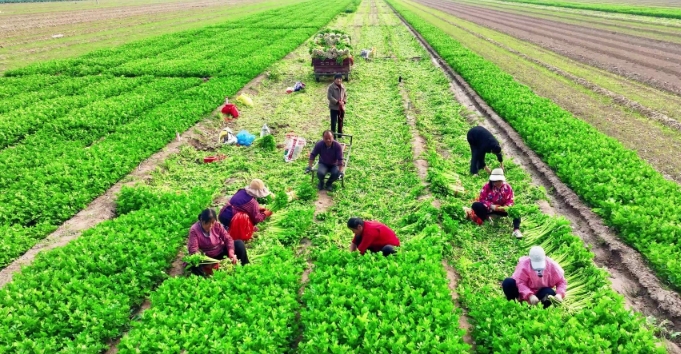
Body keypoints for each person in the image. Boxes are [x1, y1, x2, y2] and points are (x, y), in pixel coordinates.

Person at [187, 208, 249, 276]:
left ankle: (245, 267)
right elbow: (193, 250)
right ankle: (204, 279)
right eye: (207, 223)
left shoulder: (217, 225)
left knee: (239, 244)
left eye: (212, 223)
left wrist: (231, 253)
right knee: (194, 262)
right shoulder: (194, 230)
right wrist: (210, 263)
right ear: (202, 221)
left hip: (220, 251)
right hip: (206, 256)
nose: (210, 226)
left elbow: (228, 239)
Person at [465, 168, 523, 239]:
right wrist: (492, 206)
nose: (497, 183)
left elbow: (510, 200)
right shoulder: (487, 187)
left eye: (499, 181)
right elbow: (482, 199)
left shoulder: (507, 188)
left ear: (502, 180)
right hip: (489, 209)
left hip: (502, 210)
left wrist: (506, 207)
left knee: (516, 211)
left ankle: (516, 230)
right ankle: (486, 217)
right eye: (495, 181)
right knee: (476, 205)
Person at [502, 246, 567, 308]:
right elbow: (520, 282)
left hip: (540, 293)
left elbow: (561, 281)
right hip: (523, 293)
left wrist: (559, 294)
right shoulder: (524, 265)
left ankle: (539, 307)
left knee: (549, 293)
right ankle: (514, 303)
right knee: (508, 282)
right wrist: (529, 295)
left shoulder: (552, 266)